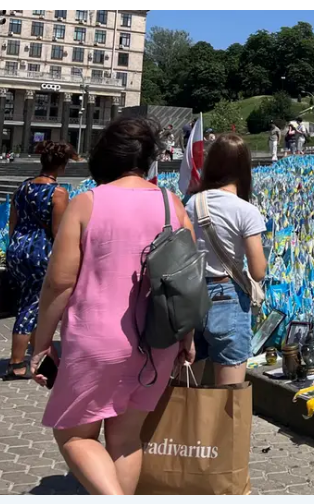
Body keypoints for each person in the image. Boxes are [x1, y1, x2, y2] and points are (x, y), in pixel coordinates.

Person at [30, 116, 196, 495]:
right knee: (125, 440)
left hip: (98, 340)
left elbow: (59, 282)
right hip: (158, 339)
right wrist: (186, 336)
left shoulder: (87, 203)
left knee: (74, 435)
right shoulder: (172, 205)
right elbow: (187, 280)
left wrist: (41, 344)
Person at [185, 134, 267, 386]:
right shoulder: (246, 210)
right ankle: (222, 427)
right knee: (230, 394)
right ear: (245, 168)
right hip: (227, 296)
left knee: (186, 385)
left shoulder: (192, 204)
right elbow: (258, 271)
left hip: (192, 295)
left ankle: (186, 426)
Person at [3, 141, 75, 380]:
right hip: (40, 251)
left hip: (17, 249)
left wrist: (16, 247)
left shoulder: (22, 188)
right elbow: (58, 231)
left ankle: (39, 353)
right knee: (31, 305)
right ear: (62, 166)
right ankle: (16, 363)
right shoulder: (58, 192)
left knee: (30, 302)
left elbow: (12, 222)